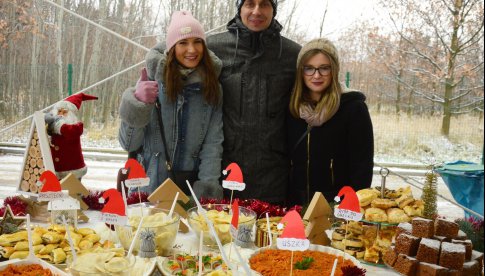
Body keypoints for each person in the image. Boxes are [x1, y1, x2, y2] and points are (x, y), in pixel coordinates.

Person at [118, 11, 224, 198]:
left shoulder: (212, 87)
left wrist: (206, 191)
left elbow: (212, 145)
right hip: (148, 188)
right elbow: (128, 143)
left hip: (190, 191)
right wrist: (138, 104)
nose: (192, 50)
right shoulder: (151, 83)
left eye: (197, 41)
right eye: (183, 43)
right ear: (172, 47)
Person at [206, 0, 301, 204]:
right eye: (250, 4)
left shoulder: (292, 54)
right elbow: (178, 56)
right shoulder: (214, 48)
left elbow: (320, 82)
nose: (256, 11)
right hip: (225, 173)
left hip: (274, 178)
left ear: (273, 10)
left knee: (268, 235)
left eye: (264, 4)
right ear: (240, 9)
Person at [287, 38, 374, 206]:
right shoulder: (292, 108)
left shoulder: (353, 108)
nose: (317, 75)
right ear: (300, 71)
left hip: (336, 204)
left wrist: (351, 205)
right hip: (296, 203)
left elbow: (362, 165)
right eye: (309, 68)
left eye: (324, 68)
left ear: (334, 70)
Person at [44, 93, 98, 180]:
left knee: (72, 192)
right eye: (59, 111)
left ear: (71, 114)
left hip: (73, 171)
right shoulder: (53, 126)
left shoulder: (77, 126)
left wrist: (58, 124)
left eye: (64, 112)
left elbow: (68, 131)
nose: (60, 114)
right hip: (56, 170)